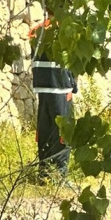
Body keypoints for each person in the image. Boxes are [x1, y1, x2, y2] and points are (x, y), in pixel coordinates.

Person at [29, 16, 77, 179]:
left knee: (45, 131)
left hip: (42, 87)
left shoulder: (36, 30)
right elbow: (72, 61)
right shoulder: (66, 30)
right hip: (61, 87)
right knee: (63, 132)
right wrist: (73, 85)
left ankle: (44, 174)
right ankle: (60, 175)